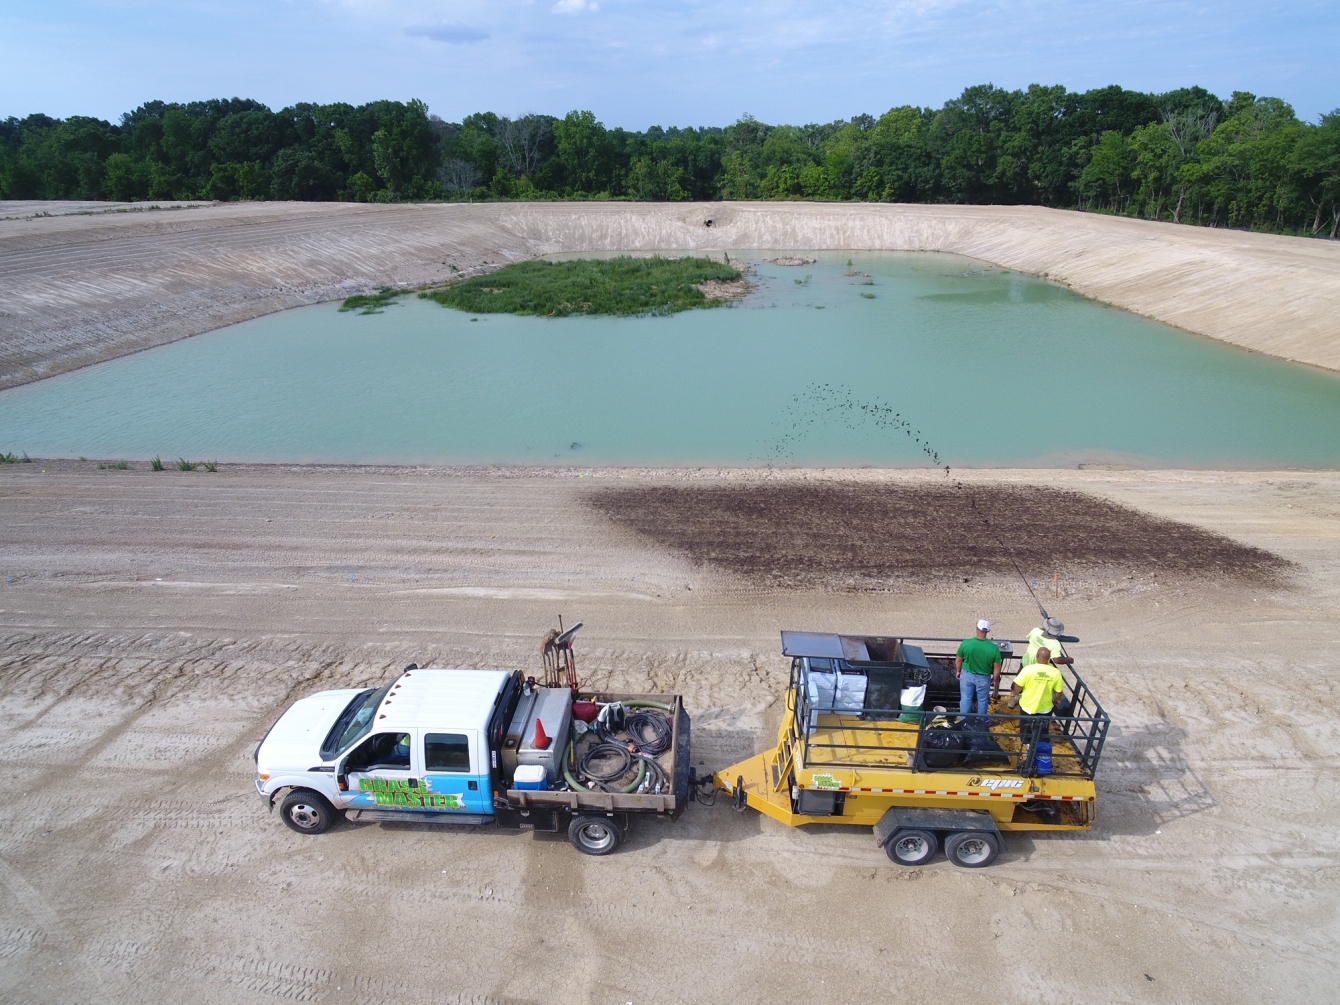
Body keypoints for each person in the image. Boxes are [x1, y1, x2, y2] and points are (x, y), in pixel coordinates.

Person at [1012, 646, 1066, 753]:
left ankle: (1026, 742)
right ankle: (1040, 744)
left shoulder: (1028, 669)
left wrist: (1015, 693)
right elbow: (1059, 691)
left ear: (1037, 656)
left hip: (1027, 705)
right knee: (1043, 728)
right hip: (1045, 707)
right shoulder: (1055, 672)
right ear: (1049, 658)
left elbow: (1018, 685)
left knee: (1025, 726)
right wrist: (1058, 699)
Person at [955, 619, 1002, 718]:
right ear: (988, 631)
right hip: (984, 678)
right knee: (983, 700)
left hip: (967, 675)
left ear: (977, 628)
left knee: (966, 699)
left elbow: (958, 660)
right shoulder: (994, 648)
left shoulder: (966, 643)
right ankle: (981, 721)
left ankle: (964, 720)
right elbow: (997, 668)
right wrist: (994, 679)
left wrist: (958, 671)